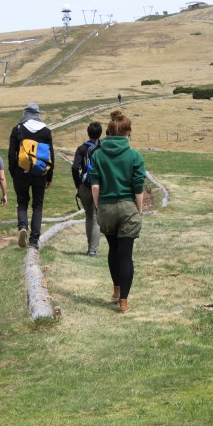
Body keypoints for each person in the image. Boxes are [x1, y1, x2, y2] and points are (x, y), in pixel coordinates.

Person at [89, 110, 146, 313]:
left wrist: (98, 207)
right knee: (126, 255)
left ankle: (115, 290)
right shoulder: (133, 155)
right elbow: (138, 186)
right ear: (127, 133)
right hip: (127, 206)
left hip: (106, 206)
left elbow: (94, 186)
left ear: (109, 133)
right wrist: (138, 210)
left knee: (113, 250)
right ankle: (123, 302)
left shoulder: (97, 154)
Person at [8, 102, 54, 249]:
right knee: (38, 205)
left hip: (21, 171)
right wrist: (49, 176)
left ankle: (23, 227)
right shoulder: (46, 131)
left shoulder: (18, 129)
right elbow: (50, 155)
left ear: (25, 114)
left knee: (22, 202)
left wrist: (13, 172)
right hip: (40, 172)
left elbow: (11, 154)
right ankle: (34, 240)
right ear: (38, 114)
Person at [71, 122, 102, 257]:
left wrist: (78, 185)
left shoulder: (82, 148)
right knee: (96, 217)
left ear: (88, 133)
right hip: (99, 186)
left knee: (89, 216)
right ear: (100, 133)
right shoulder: (103, 148)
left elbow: (74, 168)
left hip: (84, 186)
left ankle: (90, 247)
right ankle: (92, 249)